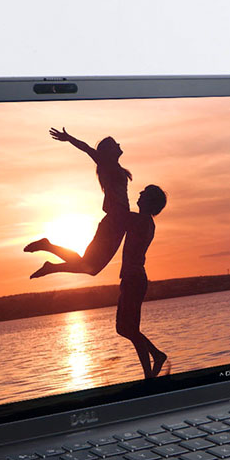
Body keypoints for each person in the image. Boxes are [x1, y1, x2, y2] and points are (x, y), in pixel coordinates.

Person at [25, 128, 132, 278]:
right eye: (115, 144)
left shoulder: (115, 168)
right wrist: (69, 138)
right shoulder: (107, 165)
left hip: (118, 221)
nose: (119, 145)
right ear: (108, 152)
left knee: (89, 266)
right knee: (90, 266)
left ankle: (49, 259)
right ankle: (49, 256)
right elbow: (87, 148)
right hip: (114, 221)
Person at [115, 185, 168, 379]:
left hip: (134, 279)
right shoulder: (143, 221)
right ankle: (157, 355)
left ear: (150, 202)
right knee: (122, 328)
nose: (139, 194)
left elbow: (117, 215)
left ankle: (149, 376)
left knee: (129, 328)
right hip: (131, 278)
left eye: (144, 193)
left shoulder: (142, 221)